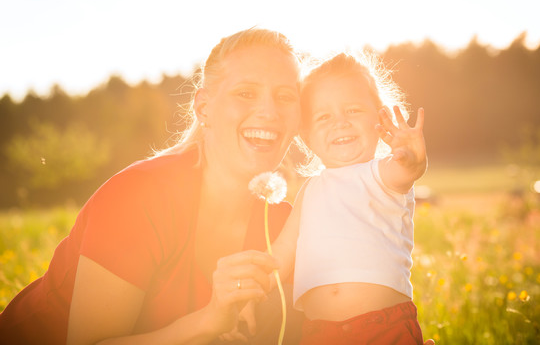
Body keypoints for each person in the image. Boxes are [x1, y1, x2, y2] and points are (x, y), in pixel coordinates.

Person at [0, 28, 304, 345]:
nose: (269, 112)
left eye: (285, 96)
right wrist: (206, 323)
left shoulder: (282, 228)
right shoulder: (138, 197)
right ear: (204, 108)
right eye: (246, 93)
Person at [271, 51, 428, 344]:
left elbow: (408, 169)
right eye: (324, 116)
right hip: (319, 334)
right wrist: (245, 298)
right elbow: (280, 258)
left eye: (353, 111)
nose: (340, 123)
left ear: (380, 119)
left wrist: (411, 157)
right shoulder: (309, 191)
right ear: (305, 135)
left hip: (383, 327)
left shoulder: (382, 175)